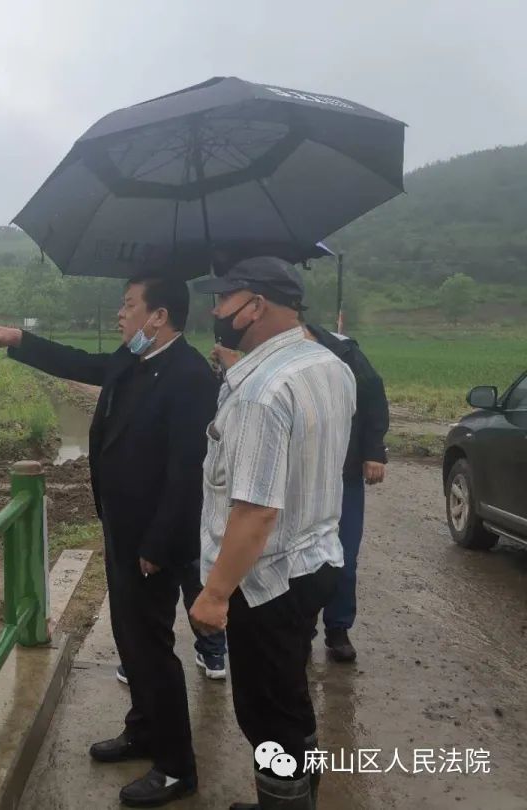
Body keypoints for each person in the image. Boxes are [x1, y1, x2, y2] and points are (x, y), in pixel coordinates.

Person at [0, 275, 220, 807]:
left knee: (152, 648)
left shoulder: (190, 376)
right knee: (130, 639)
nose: (119, 315)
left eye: (129, 306)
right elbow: (83, 365)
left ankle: (177, 767)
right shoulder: (134, 359)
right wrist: (19, 340)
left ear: (160, 316)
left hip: (153, 541)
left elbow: (186, 472)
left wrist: (157, 543)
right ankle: (143, 730)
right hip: (121, 529)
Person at [188, 257, 355, 810]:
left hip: (267, 580)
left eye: (223, 301)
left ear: (255, 306)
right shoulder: (329, 365)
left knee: (265, 717)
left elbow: (255, 512)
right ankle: (297, 797)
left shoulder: (262, 393)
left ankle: (283, 803)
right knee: (289, 696)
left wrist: (214, 594)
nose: (214, 312)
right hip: (316, 561)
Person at [213, 322, 390, 663]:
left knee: (341, 554)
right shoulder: (269, 357)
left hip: (341, 471)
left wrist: (373, 450)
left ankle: (338, 628)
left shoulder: (342, 350)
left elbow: (373, 393)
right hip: (295, 472)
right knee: (291, 555)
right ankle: (302, 628)